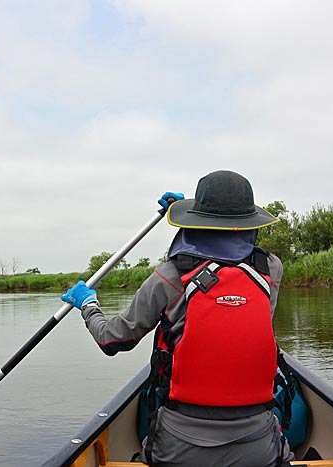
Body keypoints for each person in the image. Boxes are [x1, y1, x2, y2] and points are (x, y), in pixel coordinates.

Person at [61, 170, 293, 467]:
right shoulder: (271, 270)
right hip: (258, 446)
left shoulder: (169, 277)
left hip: (179, 448)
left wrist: (88, 305)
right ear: (249, 223)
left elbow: (113, 340)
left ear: (195, 222)